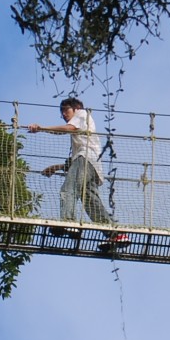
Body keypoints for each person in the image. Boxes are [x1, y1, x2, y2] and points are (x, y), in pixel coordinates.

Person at [27, 97, 126, 245]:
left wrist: (42, 128)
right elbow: (77, 157)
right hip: (92, 166)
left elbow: (69, 130)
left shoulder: (82, 114)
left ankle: (69, 222)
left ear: (76, 108)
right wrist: (57, 167)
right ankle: (115, 234)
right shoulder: (82, 133)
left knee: (68, 189)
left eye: (66, 110)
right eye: (62, 112)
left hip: (85, 161)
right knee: (91, 202)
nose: (64, 115)